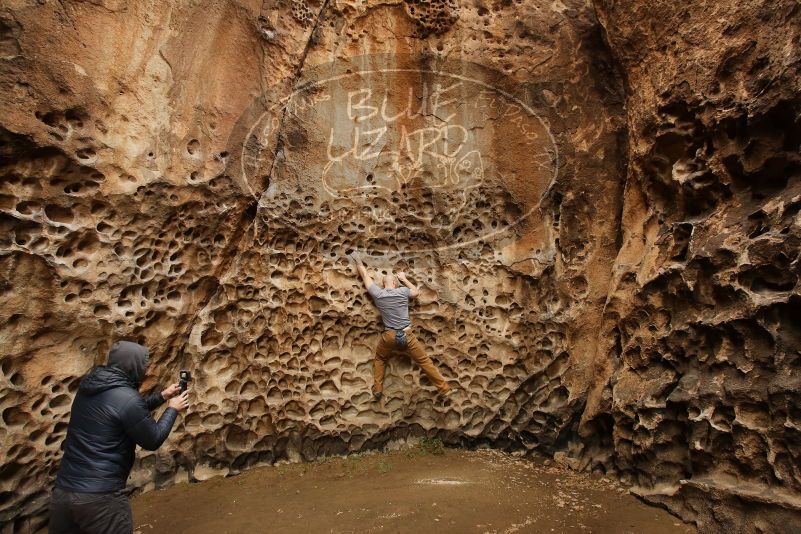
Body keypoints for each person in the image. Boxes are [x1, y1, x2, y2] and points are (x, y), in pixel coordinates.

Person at [49, 341, 190, 534]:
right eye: (143, 366)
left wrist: (162, 396)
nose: (145, 370)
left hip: (63, 493)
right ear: (133, 366)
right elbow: (153, 439)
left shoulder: (88, 388)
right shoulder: (127, 398)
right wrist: (173, 409)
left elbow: (126, 413)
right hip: (101, 498)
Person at [350, 253, 452, 401]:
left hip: (389, 336)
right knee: (424, 361)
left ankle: (378, 389)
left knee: (379, 359)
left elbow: (365, 276)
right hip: (407, 335)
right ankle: (444, 389)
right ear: (395, 284)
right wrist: (405, 279)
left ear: (383, 284)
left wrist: (357, 259)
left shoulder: (378, 293)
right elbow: (416, 292)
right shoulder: (402, 291)